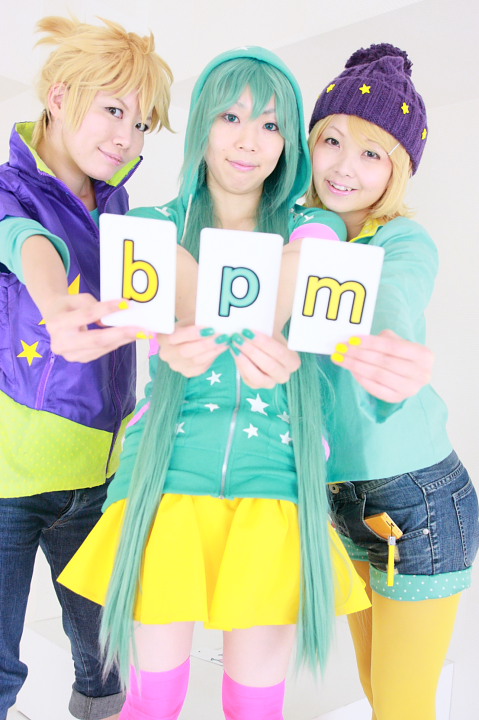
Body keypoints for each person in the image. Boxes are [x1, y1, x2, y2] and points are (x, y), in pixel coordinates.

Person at [58, 46, 370, 720]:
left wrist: (275, 337)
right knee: (153, 702)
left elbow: (310, 263)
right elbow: (127, 300)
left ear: (287, 143)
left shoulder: (313, 228)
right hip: (164, 473)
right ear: (201, 123)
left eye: (270, 124)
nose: (248, 140)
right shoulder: (150, 228)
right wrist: (173, 333)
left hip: (276, 480)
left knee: (255, 708)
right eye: (231, 116)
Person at [0, 16, 172, 720]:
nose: (127, 137)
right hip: (10, 483)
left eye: (141, 123)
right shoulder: (10, 189)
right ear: (58, 96)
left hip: (97, 479)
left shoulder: (120, 205)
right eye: (113, 110)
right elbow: (24, 241)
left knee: (104, 656)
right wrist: (54, 302)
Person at [301, 43, 479, 720]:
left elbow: (393, 294)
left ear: (396, 169)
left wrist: (393, 346)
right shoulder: (295, 241)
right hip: (338, 498)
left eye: (371, 152)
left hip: (419, 501)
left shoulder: (400, 240)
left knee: (402, 706)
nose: (345, 166)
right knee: (380, 694)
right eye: (332, 141)